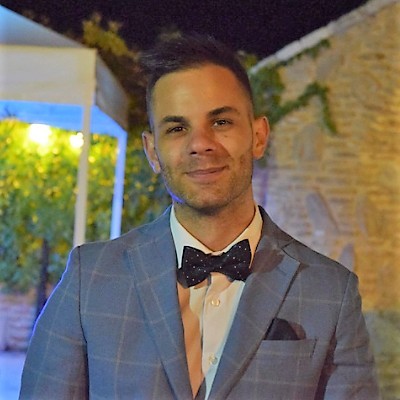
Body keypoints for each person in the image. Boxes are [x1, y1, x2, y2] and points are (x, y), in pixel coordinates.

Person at [20, 34, 380, 400]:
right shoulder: (90, 279)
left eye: (221, 122)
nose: (200, 143)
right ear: (153, 151)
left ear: (258, 136)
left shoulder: (331, 292)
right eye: (177, 128)